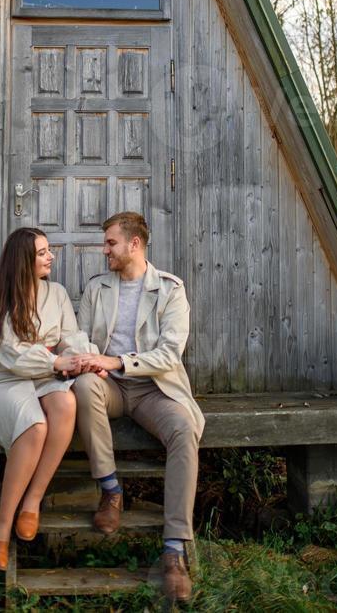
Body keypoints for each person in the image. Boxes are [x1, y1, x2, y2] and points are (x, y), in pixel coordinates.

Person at [73, 212, 205, 602]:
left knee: (183, 429)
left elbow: (168, 355)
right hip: (108, 386)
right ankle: (111, 491)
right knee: (83, 385)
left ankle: (174, 549)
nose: (105, 250)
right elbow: (81, 337)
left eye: (111, 243)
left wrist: (118, 361)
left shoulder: (169, 290)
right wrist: (94, 360)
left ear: (134, 244)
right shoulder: (97, 287)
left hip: (153, 389)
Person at [0, 226, 94, 572]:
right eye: (42, 252)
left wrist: (83, 358)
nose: (50, 256)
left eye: (48, 250)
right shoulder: (3, 297)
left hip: (44, 378)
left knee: (65, 404)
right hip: (5, 380)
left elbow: (69, 338)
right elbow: (11, 354)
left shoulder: (56, 293)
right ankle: (1, 522)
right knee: (35, 428)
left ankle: (33, 500)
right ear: (23, 259)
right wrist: (55, 359)